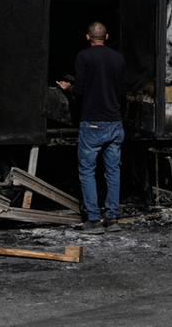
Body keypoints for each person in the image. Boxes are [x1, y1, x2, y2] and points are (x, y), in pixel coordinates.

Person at [57, 21, 125, 234]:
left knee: (88, 171)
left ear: (88, 37)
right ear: (107, 36)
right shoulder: (118, 58)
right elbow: (122, 90)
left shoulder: (83, 57)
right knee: (113, 171)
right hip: (115, 122)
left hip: (93, 123)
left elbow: (80, 91)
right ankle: (112, 219)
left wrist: (69, 87)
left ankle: (94, 220)